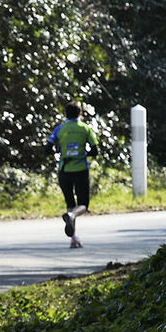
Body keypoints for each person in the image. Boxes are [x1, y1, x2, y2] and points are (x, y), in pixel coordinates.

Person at [46, 101, 98, 248]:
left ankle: (73, 238)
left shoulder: (60, 129)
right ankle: (73, 216)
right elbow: (95, 150)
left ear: (65, 115)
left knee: (70, 203)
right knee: (83, 205)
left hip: (64, 169)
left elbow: (47, 148)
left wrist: (59, 153)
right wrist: (84, 154)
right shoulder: (85, 129)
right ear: (80, 114)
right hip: (81, 169)